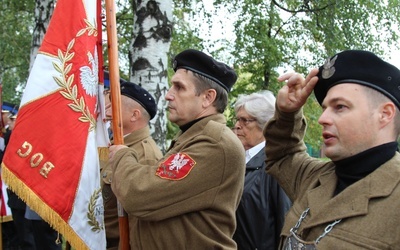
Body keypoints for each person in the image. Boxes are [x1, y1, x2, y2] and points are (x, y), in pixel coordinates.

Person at [108, 49, 245, 249]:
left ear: (207, 97)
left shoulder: (214, 143)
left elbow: (140, 194)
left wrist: (122, 155)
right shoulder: (192, 136)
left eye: (179, 88)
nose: (168, 96)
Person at [264, 50, 400, 249]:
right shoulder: (315, 178)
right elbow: (282, 157)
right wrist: (287, 113)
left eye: (340, 107)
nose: (323, 119)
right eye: (325, 108)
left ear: (384, 114)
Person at [101, 79, 163, 249]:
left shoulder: (145, 155)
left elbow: (141, 220)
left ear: (134, 115)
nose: (106, 111)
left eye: (113, 105)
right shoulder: (112, 145)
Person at [232, 91, 291, 250]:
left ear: (265, 124)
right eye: (237, 119)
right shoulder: (237, 159)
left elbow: (285, 221)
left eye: (245, 120)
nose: (237, 125)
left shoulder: (275, 164)